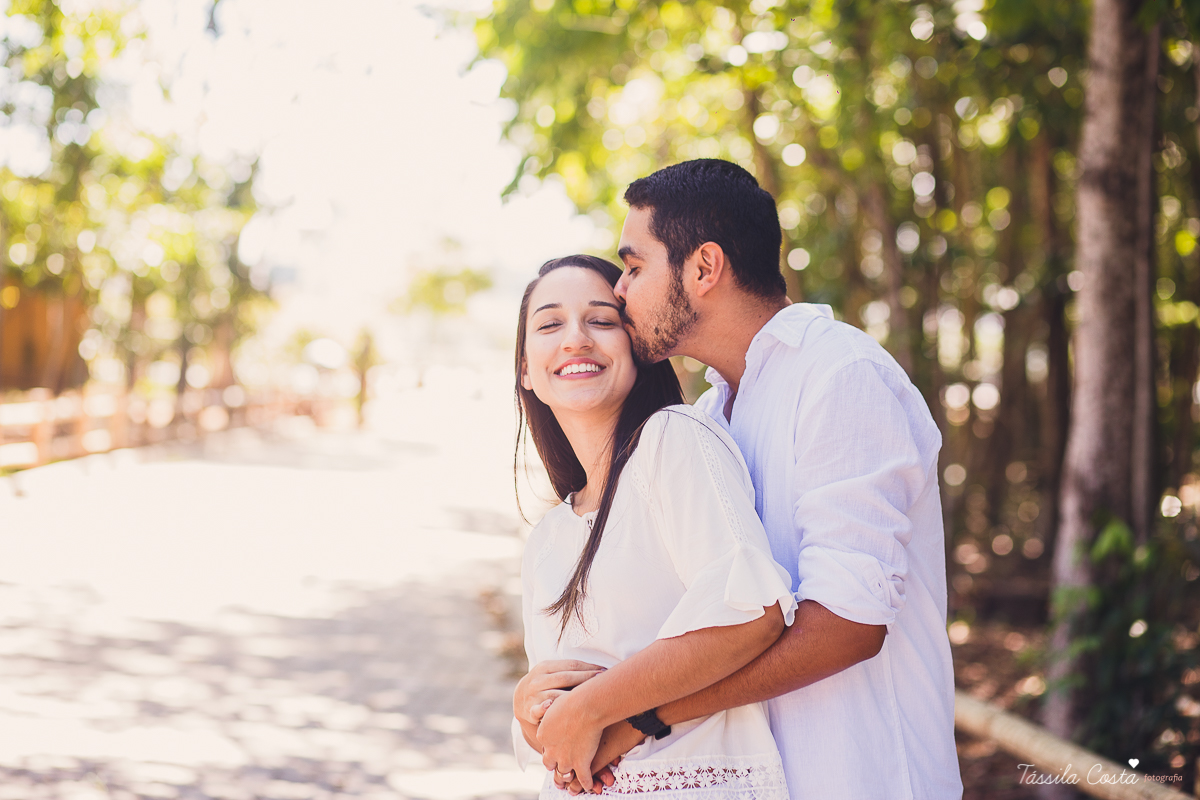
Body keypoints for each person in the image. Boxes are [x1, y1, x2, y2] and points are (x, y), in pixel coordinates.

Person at [515, 160, 963, 800]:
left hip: (860, 775)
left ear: (703, 268)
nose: (620, 293)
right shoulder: (712, 415)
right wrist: (548, 701)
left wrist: (641, 718)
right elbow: (679, 632)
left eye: (634, 268)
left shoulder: (839, 374)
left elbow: (848, 624)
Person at [512, 253, 800, 798]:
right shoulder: (549, 538)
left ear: (636, 347)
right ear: (526, 369)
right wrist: (529, 709)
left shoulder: (673, 440)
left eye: (601, 320)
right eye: (549, 324)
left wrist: (594, 709)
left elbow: (753, 614)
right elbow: (561, 728)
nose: (575, 338)